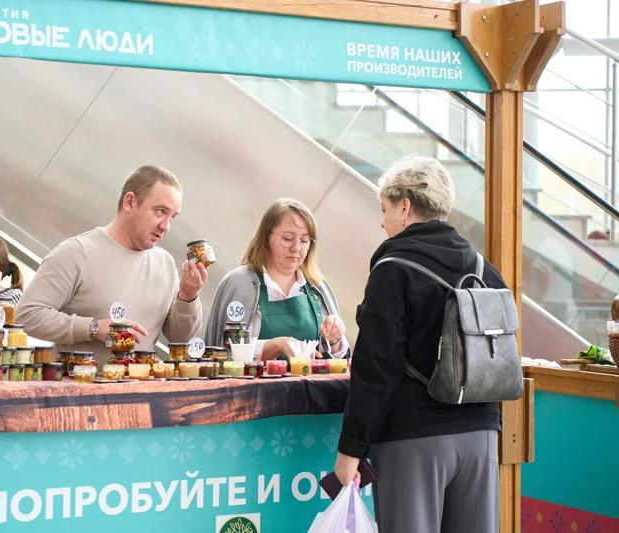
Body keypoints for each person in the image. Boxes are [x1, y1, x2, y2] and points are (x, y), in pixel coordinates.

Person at [333, 156, 503, 533]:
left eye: (384, 209)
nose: (382, 222)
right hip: (481, 436)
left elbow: (376, 368)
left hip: (414, 436)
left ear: (405, 207)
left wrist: (351, 448)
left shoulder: (393, 270)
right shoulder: (483, 269)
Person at [15, 165, 206, 364]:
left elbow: (181, 339)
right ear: (130, 202)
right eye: (160, 212)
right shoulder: (76, 252)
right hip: (80, 382)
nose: (165, 226)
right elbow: (27, 316)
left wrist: (188, 297)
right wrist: (93, 328)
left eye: (172, 217)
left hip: (141, 383)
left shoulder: (165, 263)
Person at [206, 199, 348, 360]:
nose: (296, 248)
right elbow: (226, 354)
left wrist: (334, 340)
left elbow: (336, 358)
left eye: (304, 240)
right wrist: (276, 345)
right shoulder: (240, 283)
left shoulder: (317, 286)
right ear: (266, 237)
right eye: (287, 238)